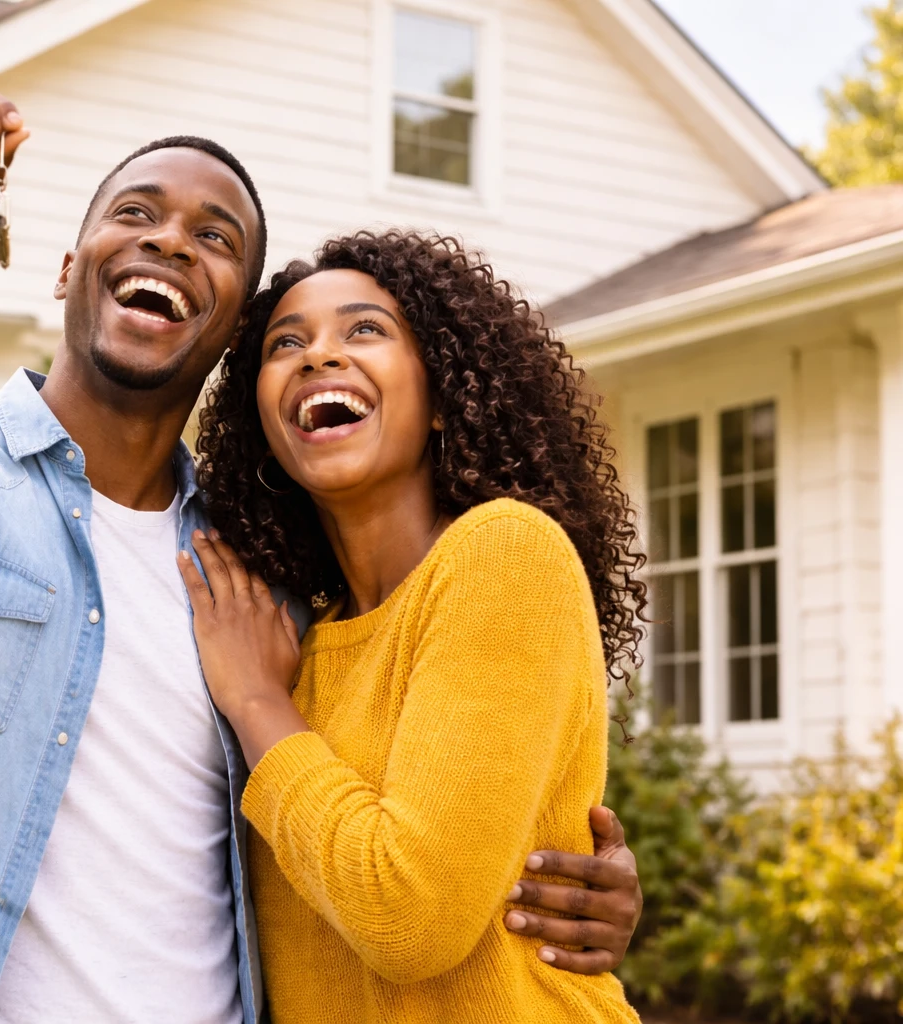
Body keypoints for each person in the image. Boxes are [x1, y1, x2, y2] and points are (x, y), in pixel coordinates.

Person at [0, 81, 642, 1023]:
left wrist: (570, 868)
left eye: (216, 236)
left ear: (230, 330)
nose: (172, 239)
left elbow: (393, 830)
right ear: (68, 268)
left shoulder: (264, 584)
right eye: (136, 213)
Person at [178, 230, 648, 1022]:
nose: (319, 355)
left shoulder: (506, 553)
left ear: (443, 399)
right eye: (285, 343)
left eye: (365, 329)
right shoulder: (288, 632)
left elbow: (409, 916)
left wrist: (258, 703)